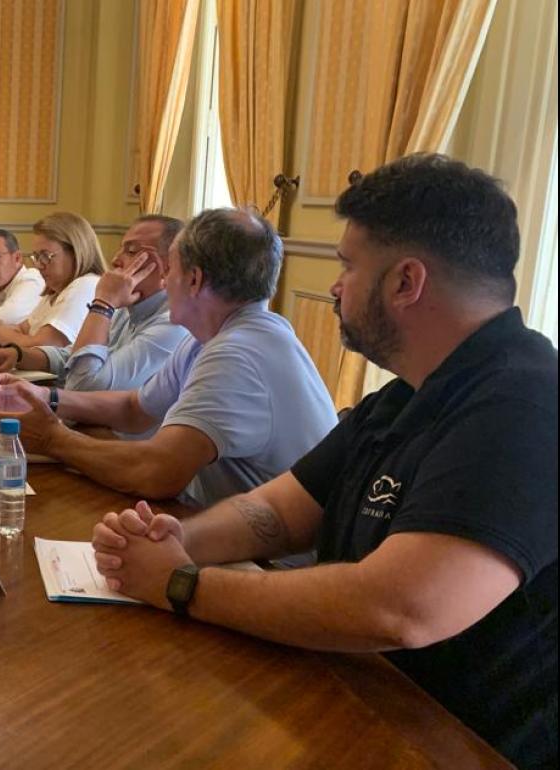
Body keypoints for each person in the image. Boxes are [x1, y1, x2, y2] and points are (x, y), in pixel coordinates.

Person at [91, 155, 556, 768]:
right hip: (355, 694)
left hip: (450, 740)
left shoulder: (525, 405)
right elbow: (281, 510)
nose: (335, 287)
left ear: (406, 282)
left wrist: (182, 583)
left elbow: (401, 608)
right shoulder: (407, 392)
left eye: (347, 266)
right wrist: (176, 538)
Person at [0, 208, 336, 507]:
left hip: (272, 563)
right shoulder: (215, 336)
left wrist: (52, 439)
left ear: (192, 280)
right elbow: (136, 408)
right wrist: (48, 398)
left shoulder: (237, 353)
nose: (165, 282)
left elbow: (156, 472)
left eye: (171, 271)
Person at [0, 215, 189, 394]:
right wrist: (18, 355)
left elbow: (84, 385)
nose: (115, 260)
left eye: (131, 252)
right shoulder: (128, 308)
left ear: (169, 266)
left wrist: (103, 303)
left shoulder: (173, 324)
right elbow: (73, 356)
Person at [0, 212, 105, 348]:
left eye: (46, 256)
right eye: (36, 257)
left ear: (75, 252)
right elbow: (22, 329)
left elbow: (40, 345)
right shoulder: (54, 292)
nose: (38, 265)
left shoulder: (86, 285)